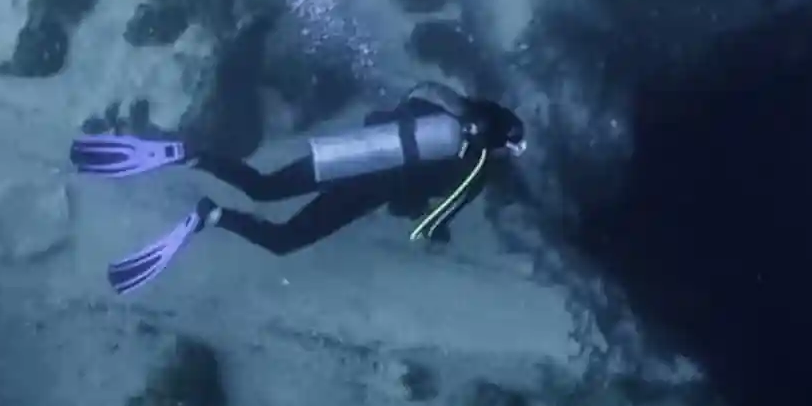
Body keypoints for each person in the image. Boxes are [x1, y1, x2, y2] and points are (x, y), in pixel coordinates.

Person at [71, 82, 527, 295]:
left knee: (263, 186)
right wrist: (428, 228)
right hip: (365, 189)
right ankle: (213, 215)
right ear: (502, 147)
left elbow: (413, 95)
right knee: (284, 240)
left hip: (350, 152)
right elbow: (428, 224)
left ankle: (194, 155)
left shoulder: (452, 107)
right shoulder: (478, 167)